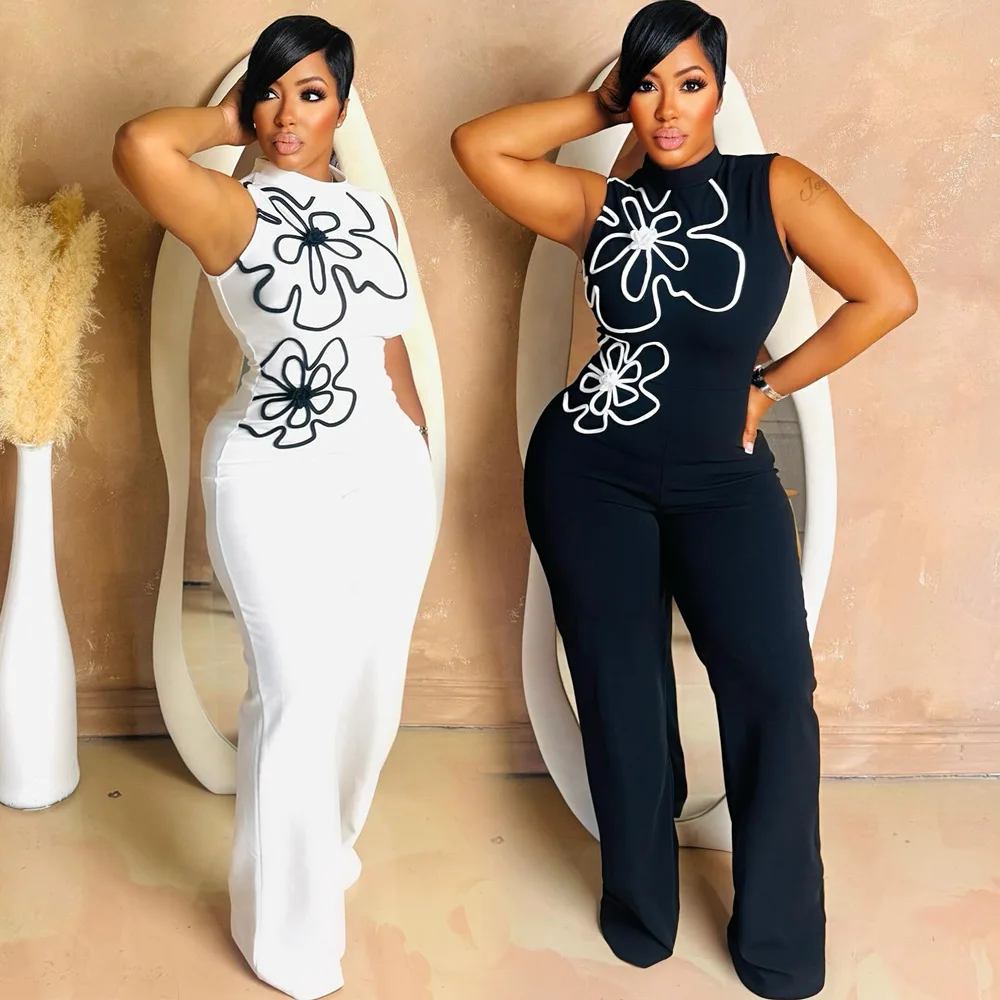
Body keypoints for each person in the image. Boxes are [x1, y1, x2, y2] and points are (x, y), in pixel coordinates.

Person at [451, 2, 916, 997]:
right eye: (649, 86)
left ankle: (779, 939)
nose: (667, 108)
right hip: (590, 471)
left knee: (773, 692)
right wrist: (598, 104)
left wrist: (771, 385)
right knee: (618, 690)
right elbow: (477, 146)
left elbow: (888, 292)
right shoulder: (598, 205)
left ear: (719, 90)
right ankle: (640, 908)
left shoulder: (773, 187)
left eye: (690, 84)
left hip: (722, 482)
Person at [113, 15, 436, 1000]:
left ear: (344, 105)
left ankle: (324, 845)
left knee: (371, 686)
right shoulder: (230, 205)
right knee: (293, 691)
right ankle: (288, 940)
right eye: (272, 91)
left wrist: (419, 459)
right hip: (269, 471)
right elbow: (139, 146)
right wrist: (231, 119)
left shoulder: (373, 211)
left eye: (311, 93)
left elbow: (388, 351)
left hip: (384, 468)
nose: (288, 113)